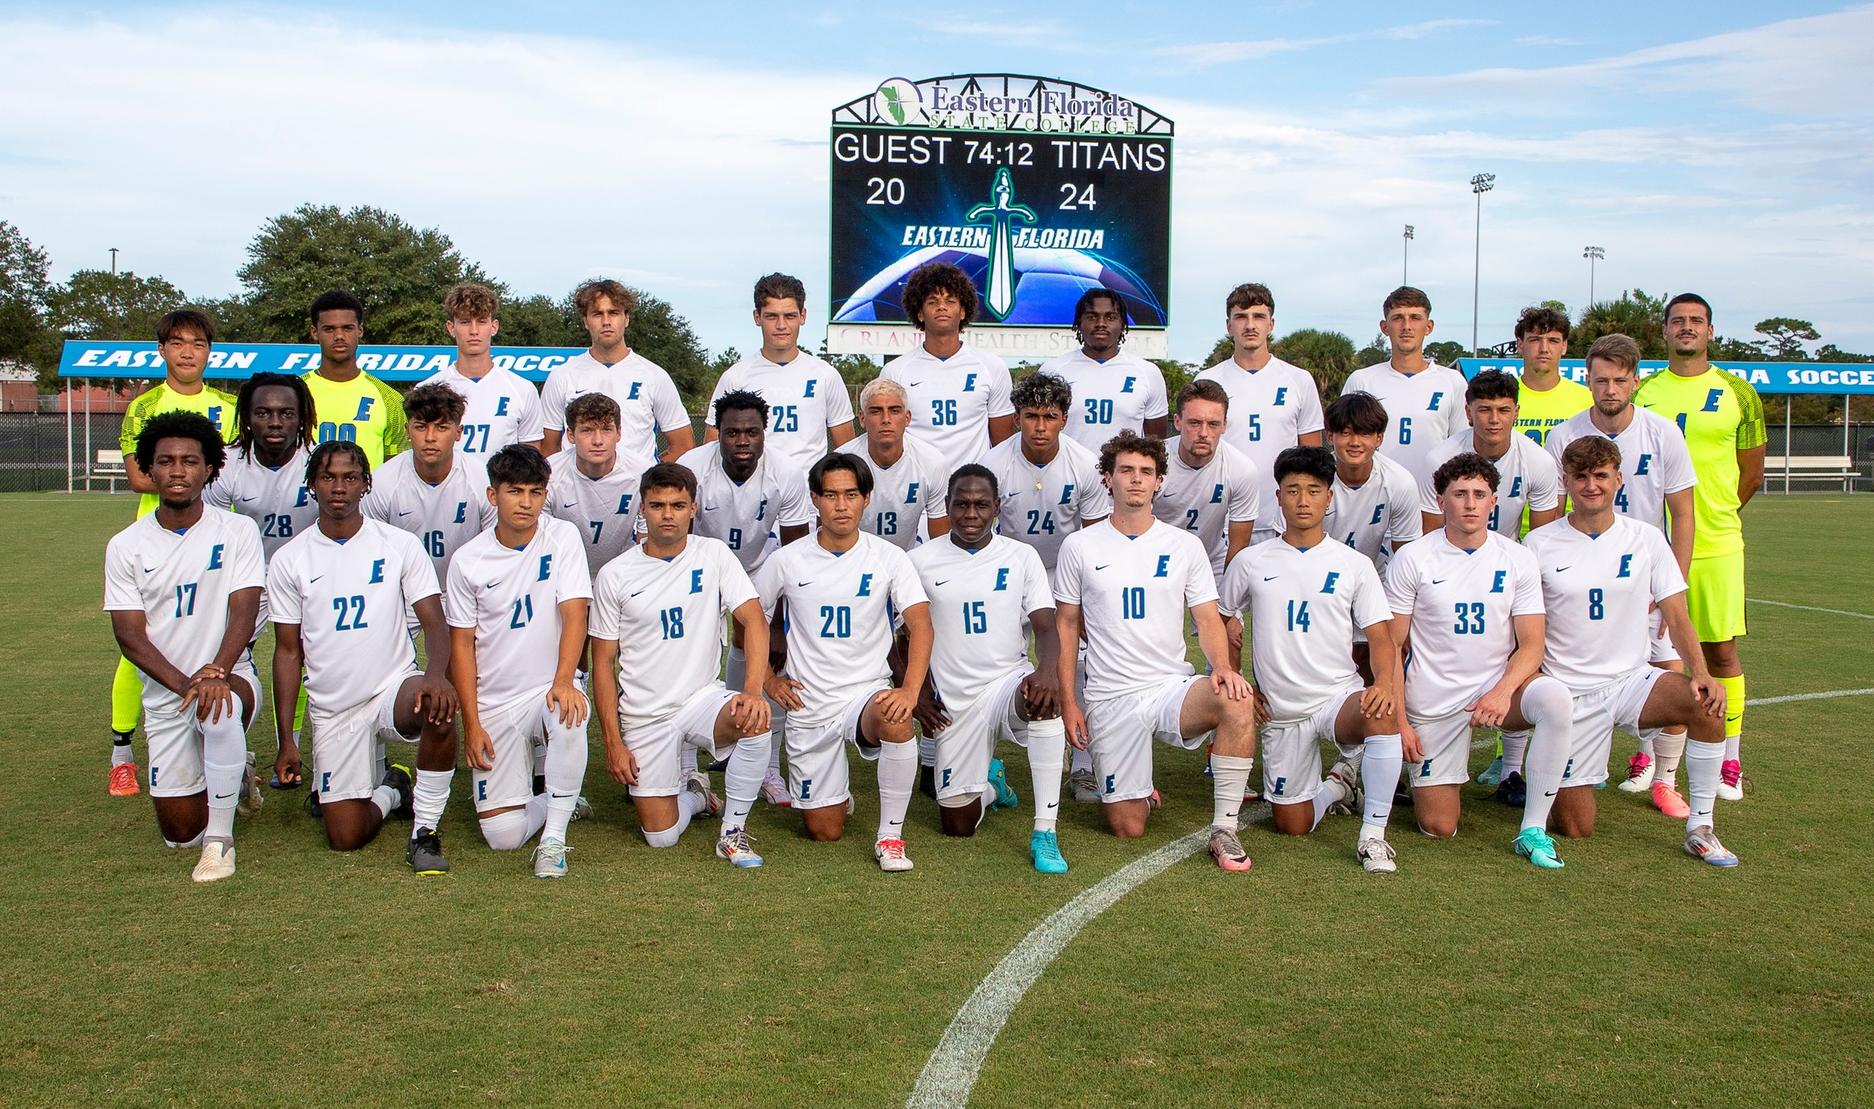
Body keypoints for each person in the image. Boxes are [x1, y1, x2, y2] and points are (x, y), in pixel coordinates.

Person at [1524, 437, 1737, 867]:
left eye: (1600, 475)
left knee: (1707, 703)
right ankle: (1569, 774)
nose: (1591, 486)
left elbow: (1677, 615)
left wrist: (1700, 670)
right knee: (1576, 827)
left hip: (1630, 681)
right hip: (1571, 694)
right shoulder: (1538, 543)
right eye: (1580, 476)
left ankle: (1701, 827)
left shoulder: (1648, 538)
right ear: (1566, 481)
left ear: (1618, 479)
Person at [1053, 432, 1259, 870]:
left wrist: (1222, 667)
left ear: (1159, 482)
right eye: (1126, 470)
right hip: (1110, 696)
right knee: (1127, 827)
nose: (1136, 480)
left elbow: (1206, 616)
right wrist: (1071, 701)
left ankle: (1224, 828)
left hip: (1170, 687)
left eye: (1146, 472)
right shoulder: (1080, 546)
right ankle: (1138, 789)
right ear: (1107, 479)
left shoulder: (1184, 546)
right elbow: (1067, 626)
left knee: (1237, 699)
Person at [268, 441, 460, 873]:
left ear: (366, 484)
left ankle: (424, 831)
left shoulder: (399, 544)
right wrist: (286, 740)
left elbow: (434, 620)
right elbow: (286, 651)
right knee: (345, 837)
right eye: (328, 477)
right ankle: (393, 789)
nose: (339, 487)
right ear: (312, 486)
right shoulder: (289, 559)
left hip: (393, 688)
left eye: (350, 477)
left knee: (438, 706)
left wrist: (435, 676)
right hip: (334, 708)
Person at [1219, 446, 1406, 873]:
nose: (1303, 500)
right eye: (1292, 490)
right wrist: (1236, 680)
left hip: (1335, 697)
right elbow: (1223, 622)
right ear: (1278, 496)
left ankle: (1374, 838)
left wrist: (1381, 684)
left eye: (1314, 490)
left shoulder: (1354, 565)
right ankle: (1339, 784)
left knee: (1381, 712)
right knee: (1293, 824)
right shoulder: (1250, 561)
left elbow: (1381, 637)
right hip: (1280, 710)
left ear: (1330, 498)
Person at [1382, 451, 1571, 864]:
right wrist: (1399, 721)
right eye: (1460, 493)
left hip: (1496, 693)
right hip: (1434, 702)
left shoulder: (1517, 557)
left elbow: (1533, 643)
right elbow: (1391, 647)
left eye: (1479, 494)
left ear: (1494, 502)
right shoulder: (1412, 558)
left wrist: (1503, 691)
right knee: (1439, 826)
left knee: (1555, 697)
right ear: (1441, 500)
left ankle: (1532, 829)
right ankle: (1377, 772)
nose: (1470, 503)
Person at [104, 411, 265, 882]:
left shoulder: (237, 531)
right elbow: (129, 635)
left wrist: (215, 672)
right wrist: (185, 684)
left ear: (210, 468)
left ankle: (221, 842)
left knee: (219, 710)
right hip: (166, 695)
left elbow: (245, 609)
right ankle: (233, 774)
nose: (178, 471)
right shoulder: (125, 545)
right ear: (148, 471)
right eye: (166, 461)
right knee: (178, 834)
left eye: (190, 461)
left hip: (231, 677)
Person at [754, 453, 934, 871]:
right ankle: (836, 796)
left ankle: (890, 837)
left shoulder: (889, 557)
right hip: (809, 703)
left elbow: (921, 626)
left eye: (851, 494)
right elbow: (750, 619)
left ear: (866, 498)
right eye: (831, 495)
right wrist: (767, 679)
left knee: (895, 716)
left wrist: (908, 690)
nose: (841, 505)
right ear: (815, 499)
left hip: (864, 694)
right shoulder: (786, 560)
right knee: (824, 831)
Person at [592, 463, 776, 867]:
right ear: (642, 508)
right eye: (657, 505)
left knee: (754, 719)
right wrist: (612, 742)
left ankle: (732, 833)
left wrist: (751, 691)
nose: (668, 515)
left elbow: (754, 620)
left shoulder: (712, 554)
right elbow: (602, 662)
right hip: (645, 714)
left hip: (701, 698)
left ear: (693, 508)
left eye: (678, 505)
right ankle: (696, 794)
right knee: (660, 837)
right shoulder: (614, 575)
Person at [1550, 334, 1698, 810]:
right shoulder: (1563, 435)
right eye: (1600, 380)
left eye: (1619, 380)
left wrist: (1670, 581)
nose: (1610, 389)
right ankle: (1559, 765)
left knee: (1669, 670)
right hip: (1582, 572)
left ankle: (1665, 777)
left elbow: (1683, 512)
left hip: (1642, 571)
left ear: (1635, 381)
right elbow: (1553, 515)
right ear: (1587, 381)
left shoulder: (1662, 433)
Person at [1634, 293, 1765, 802]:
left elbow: (1750, 472)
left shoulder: (1738, 392)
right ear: (1664, 332)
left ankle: (1729, 761)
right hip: (1646, 545)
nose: (1686, 328)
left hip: (1715, 544)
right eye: (1677, 321)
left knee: (1721, 652)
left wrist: (1718, 516)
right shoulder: (1643, 390)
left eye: (1696, 321)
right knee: (1648, 655)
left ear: (1711, 330)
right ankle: (1648, 758)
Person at [909, 465, 1072, 874]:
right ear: (946, 506)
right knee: (956, 824)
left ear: (997, 507)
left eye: (982, 504)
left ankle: (1045, 833)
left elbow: (1047, 626)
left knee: (1043, 702)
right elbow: (899, 637)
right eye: (961, 503)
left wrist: (1048, 670)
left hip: (1005, 685)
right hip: (952, 703)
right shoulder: (918, 561)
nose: (971, 513)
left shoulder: (1021, 556)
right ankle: (990, 785)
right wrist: (917, 690)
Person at [444, 445, 593, 877]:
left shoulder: (562, 537)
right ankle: (557, 799)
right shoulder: (467, 560)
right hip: (495, 700)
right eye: (514, 492)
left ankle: (554, 839)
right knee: (502, 836)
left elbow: (574, 612)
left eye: (535, 492)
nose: (526, 503)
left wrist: (565, 679)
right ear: (493, 496)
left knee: (569, 712)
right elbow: (462, 646)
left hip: (546, 687)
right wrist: (471, 724)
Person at [107, 309, 239, 797]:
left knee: (226, 639)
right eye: (178, 343)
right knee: (142, 646)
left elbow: (236, 468)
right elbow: (139, 476)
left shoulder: (229, 405)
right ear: (162, 350)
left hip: (216, 533)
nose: (188, 352)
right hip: (157, 532)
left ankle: (226, 749)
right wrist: (189, 474)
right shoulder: (144, 406)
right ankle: (122, 753)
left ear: (209, 352)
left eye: (198, 343)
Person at [205, 372, 320, 778]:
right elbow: (213, 533)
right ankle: (229, 751)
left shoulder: (319, 461)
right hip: (246, 575)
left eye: (286, 413)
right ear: (247, 418)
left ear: (302, 418)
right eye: (263, 413)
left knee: (316, 658)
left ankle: (309, 751)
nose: (275, 422)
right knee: (224, 657)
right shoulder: (225, 465)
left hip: (308, 576)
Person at [1194, 283, 1324, 540]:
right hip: (1222, 521)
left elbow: (1312, 459)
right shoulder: (1208, 380)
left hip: (1282, 520)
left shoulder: (1299, 379)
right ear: (1229, 325)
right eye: (1241, 317)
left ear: (1271, 324)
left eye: (1258, 316)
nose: (1250, 325)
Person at [704, 273, 855, 472]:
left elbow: (847, 450)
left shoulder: (826, 375)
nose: (781, 325)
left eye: (790, 316)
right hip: (753, 495)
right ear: (757, 317)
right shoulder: (736, 377)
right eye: (771, 316)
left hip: (808, 497)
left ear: (803, 316)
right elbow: (711, 446)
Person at [538, 278, 693, 462]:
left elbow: (683, 446)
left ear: (626, 318)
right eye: (597, 314)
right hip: (576, 488)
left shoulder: (654, 376)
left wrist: (649, 477)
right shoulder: (562, 376)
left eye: (613, 313)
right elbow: (549, 449)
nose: (606, 321)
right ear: (585, 321)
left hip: (636, 489)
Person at [977, 372, 1109, 585]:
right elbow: (979, 530)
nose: (1040, 427)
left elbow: (1096, 536)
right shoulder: (992, 464)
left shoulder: (1085, 464)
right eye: (1031, 416)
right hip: (1010, 565)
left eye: (1049, 417)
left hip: (1065, 568)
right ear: (1016, 419)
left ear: (1064, 420)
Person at [362, 383, 495, 590]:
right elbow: (373, 555)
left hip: (468, 591)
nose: (430, 437)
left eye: (441, 427)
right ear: (407, 430)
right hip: (402, 594)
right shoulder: (381, 483)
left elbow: (495, 553)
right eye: (421, 426)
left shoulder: (482, 480)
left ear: (458, 432)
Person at [879, 261, 1014, 464]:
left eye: (950, 301)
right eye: (932, 301)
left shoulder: (992, 366)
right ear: (919, 313)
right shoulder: (895, 372)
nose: (941, 306)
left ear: (963, 311)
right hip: (918, 486)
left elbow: (1003, 446)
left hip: (973, 488)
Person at [1342, 287, 1470, 483]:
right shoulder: (1362, 380)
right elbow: (1344, 443)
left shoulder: (1452, 382)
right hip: (1376, 496)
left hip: (1433, 498)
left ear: (1429, 326)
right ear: (1385, 327)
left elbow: (1461, 448)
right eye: (1398, 318)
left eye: (1415, 318)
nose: (1406, 326)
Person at [1418, 369, 1562, 538]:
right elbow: (1430, 537)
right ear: (1468, 412)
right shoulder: (1439, 460)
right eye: (1485, 410)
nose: (1494, 419)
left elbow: (1541, 539)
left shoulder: (1539, 461)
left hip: (1509, 555)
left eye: (1503, 410)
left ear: (1516, 413)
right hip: (1451, 554)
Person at [1152, 379, 1260, 585]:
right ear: (1177, 422)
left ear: (1225, 425)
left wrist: (1228, 603)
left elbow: (1238, 548)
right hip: (1155, 556)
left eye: (1213, 424)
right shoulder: (1152, 462)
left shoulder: (1241, 469)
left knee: (1227, 617)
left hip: (1212, 558)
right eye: (1194, 423)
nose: (1203, 433)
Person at [417, 282, 544, 456]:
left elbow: (531, 460)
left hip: (501, 483)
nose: (474, 331)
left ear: (494, 326)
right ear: (451, 327)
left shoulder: (522, 389)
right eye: (465, 322)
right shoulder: (428, 390)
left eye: (482, 321)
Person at [1037, 286, 1168, 450]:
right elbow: (1039, 430)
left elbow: (1155, 446)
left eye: (1110, 317)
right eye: (1092, 317)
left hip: (1124, 474)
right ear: (1079, 322)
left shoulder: (1147, 372)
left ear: (1122, 324)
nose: (1100, 324)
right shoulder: (1052, 370)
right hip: (1068, 474)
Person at [839, 377, 951, 548]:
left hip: (908, 557)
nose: (886, 419)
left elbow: (940, 539)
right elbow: (828, 531)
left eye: (894, 410)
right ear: (862, 418)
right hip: (853, 559)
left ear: (907, 418)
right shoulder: (841, 463)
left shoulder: (932, 463)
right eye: (876, 411)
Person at [547, 394, 651, 577]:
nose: (597, 440)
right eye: (587, 430)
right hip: (562, 575)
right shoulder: (549, 475)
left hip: (622, 576)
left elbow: (646, 539)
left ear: (619, 433)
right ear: (571, 435)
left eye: (606, 430)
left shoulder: (643, 474)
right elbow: (542, 540)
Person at [301, 290, 408, 466]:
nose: (339, 336)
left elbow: (396, 468)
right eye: (329, 329)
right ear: (314, 332)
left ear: (360, 330)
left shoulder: (388, 398)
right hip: (304, 493)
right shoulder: (295, 393)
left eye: (347, 328)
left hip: (368, 494)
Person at [1320, 392, 1421, 567]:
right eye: (1346, 433)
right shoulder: (1312, 479)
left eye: (1365, 434)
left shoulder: (1400, 482)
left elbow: (1408, 554)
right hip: (1319, 574)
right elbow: (1290, 545)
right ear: (1330, 437)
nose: (1355, 442)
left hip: (1375, 576)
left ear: (1379, 439)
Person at [1509, 305, 1591, 446]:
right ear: (1520, 344)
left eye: (1553, 341)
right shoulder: (1502, 398)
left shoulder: (1588, 400)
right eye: (1535, 340)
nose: (1544, 349)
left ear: (1564, 346)